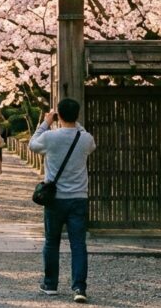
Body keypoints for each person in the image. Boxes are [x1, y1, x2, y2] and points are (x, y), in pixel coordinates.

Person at [28, 98, 96, 304]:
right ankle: (79, 287)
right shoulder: (85, 138)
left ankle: (50, 284)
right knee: (78, 244)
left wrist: (46, 122)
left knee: (52, 241)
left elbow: (32, 144)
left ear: (59, 115)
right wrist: (76, 123)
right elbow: (90, 143)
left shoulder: (50, 137)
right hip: (78, 197)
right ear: (77, 115)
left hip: (55, 199)